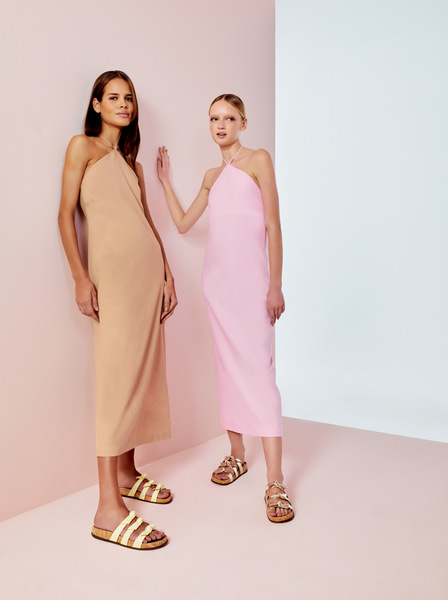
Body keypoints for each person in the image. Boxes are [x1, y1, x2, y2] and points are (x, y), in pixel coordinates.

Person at [157, 94, 294, 523]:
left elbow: (273, 225)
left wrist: (275, 285)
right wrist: (165, 183)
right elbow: (184, 224)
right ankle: (237, 454)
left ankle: (276, 481)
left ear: (243, 123)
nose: (220, 125)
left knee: (260, 373)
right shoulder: (212, 176)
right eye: (214, 119)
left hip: (252, 287)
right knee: (227, 369)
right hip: (217, 286)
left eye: (229, 118)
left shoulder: (258, 160)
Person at [58, 70, 177, 549]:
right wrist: (79, 277)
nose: (124, 104)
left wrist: (168, 274)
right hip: (112, 280)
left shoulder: (132, 164)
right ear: (96, 104)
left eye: (128, 98)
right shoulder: (82, 148)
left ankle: (127, 472)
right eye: (113, 97)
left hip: (146, 278)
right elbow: (64, 215)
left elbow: (147, 222)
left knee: (140, 373)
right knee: (115, 378)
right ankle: (108, 508)